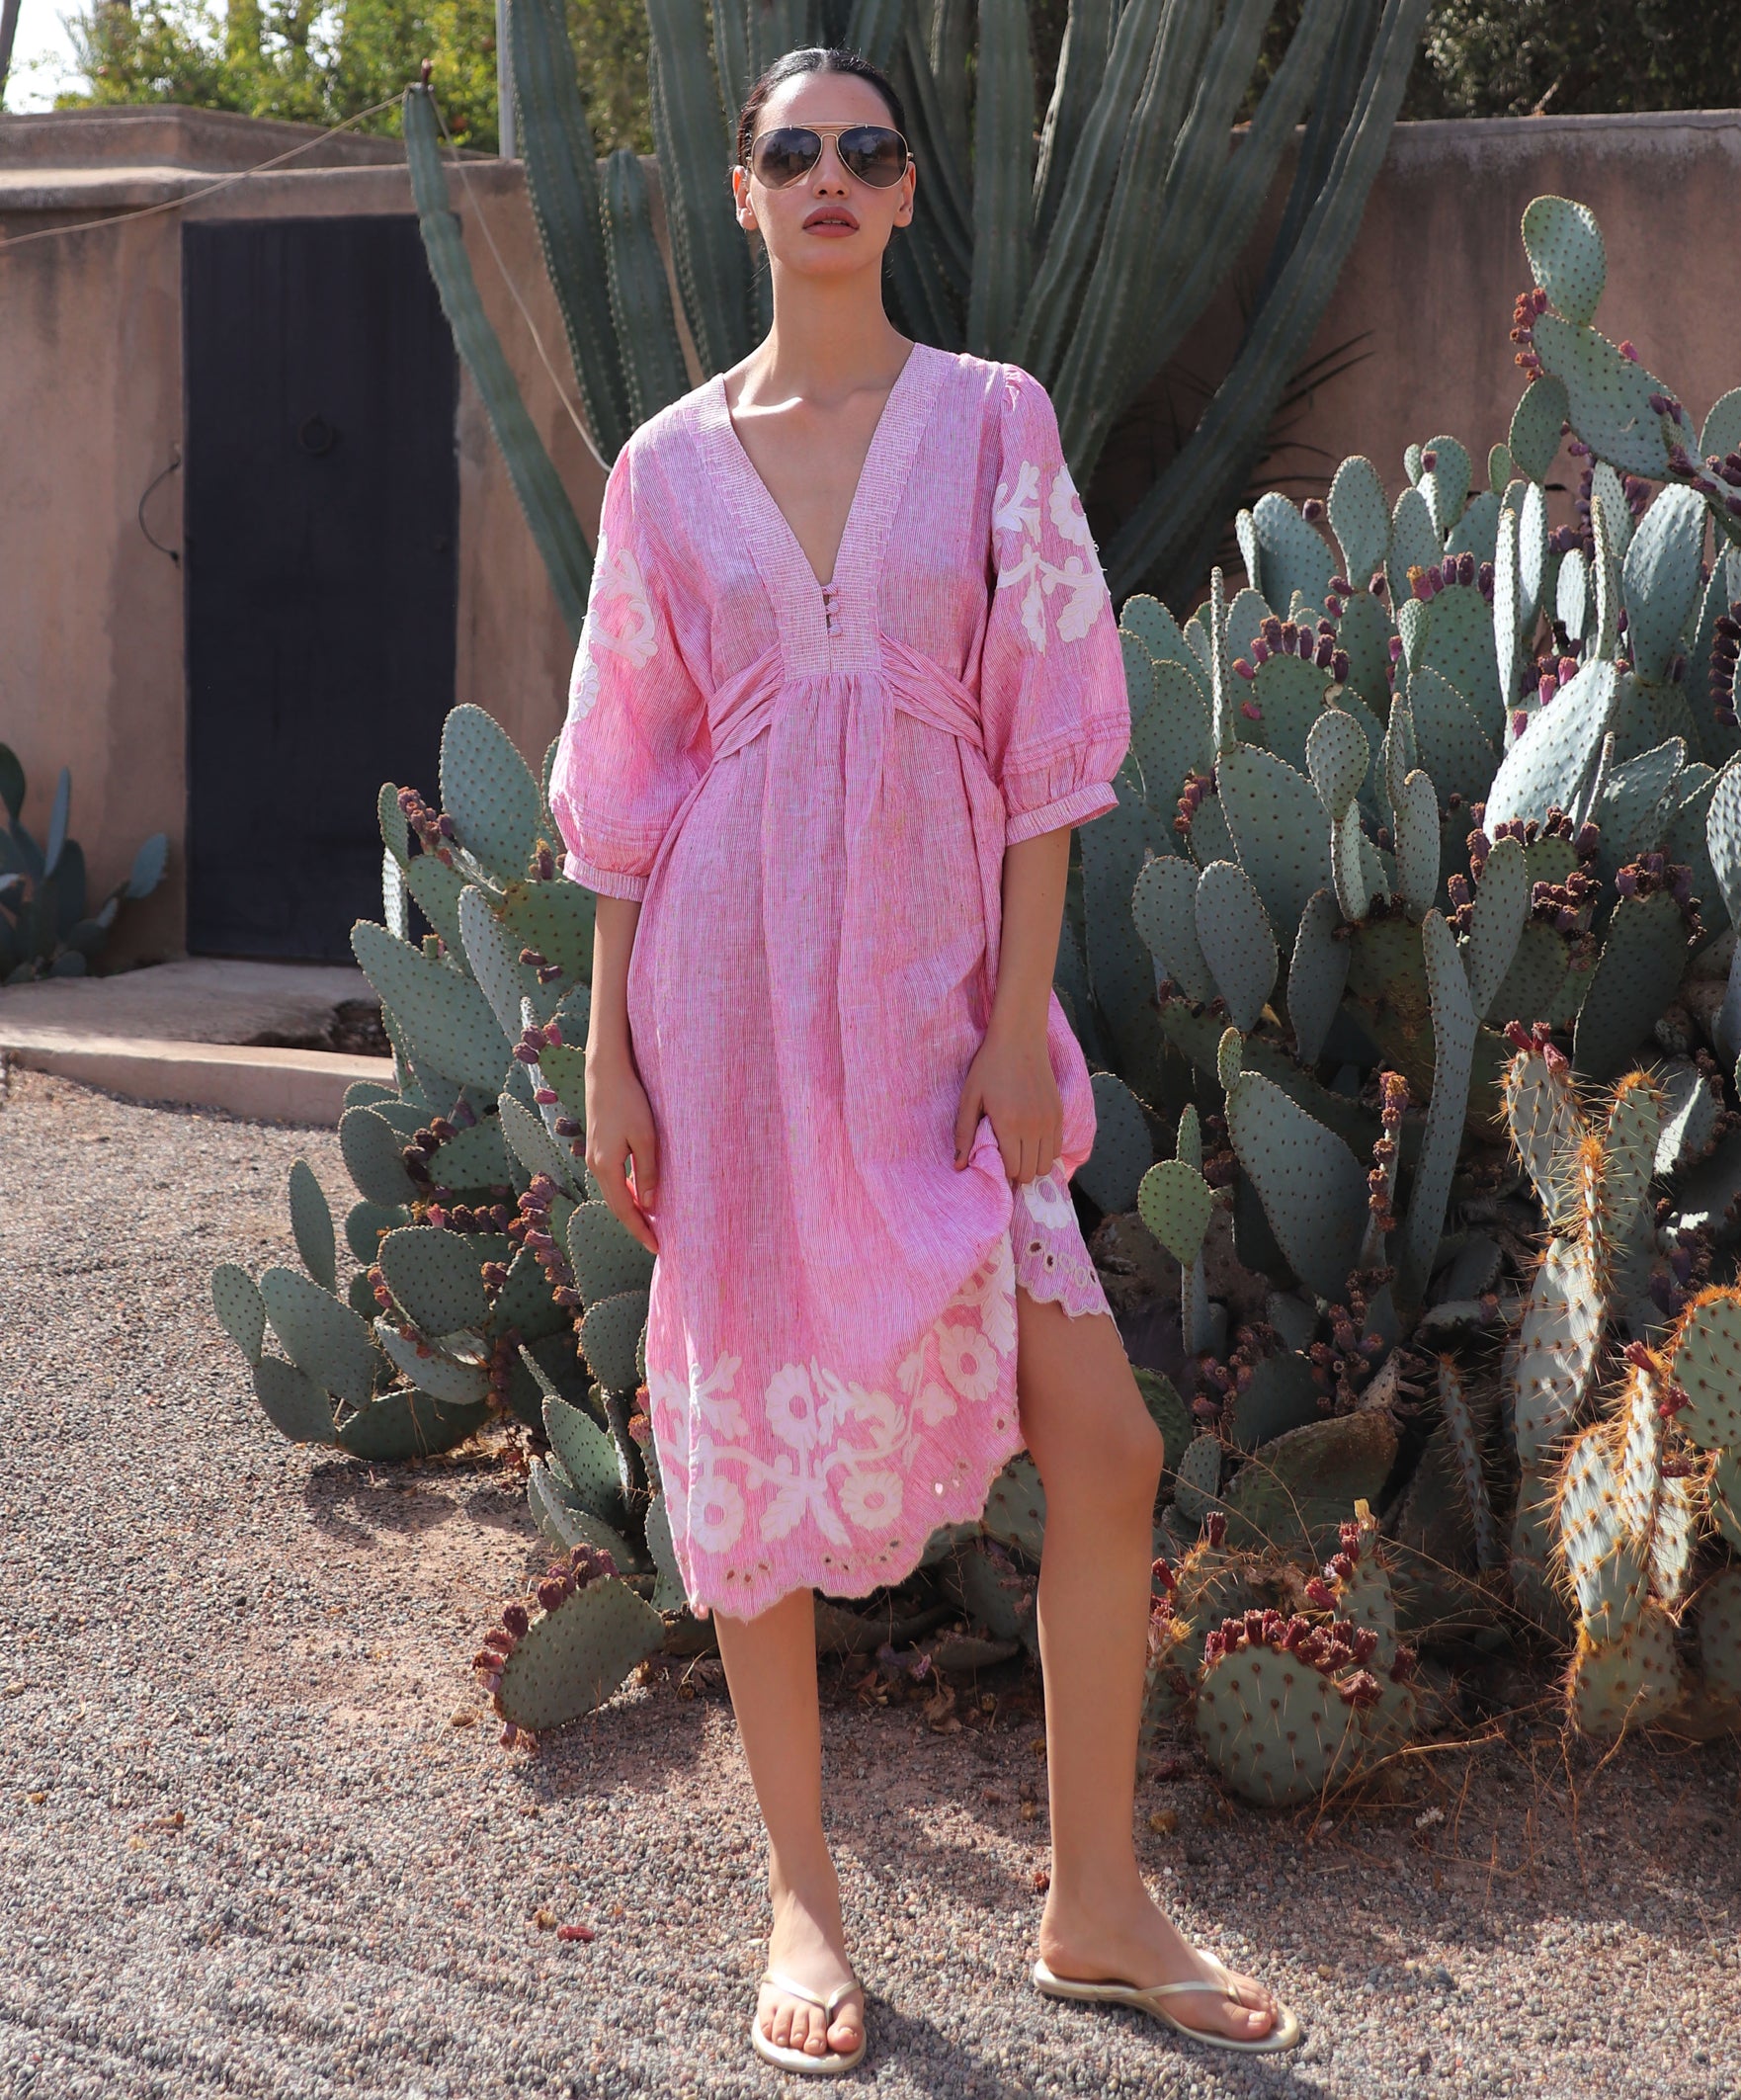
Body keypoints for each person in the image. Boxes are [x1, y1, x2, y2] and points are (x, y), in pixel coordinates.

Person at [548, 42, 1302, 2076]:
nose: (826, 177)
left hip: (934, 1008)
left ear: (900, 196)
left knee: (1106, 1445)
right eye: (788, 151)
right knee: (751, 1463)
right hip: (719, 1005)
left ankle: (1088, 1899)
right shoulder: (657, 467)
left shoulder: (986, 420)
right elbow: (624, 779)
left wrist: (1008, 1019)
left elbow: (1051, 744)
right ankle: (801, 1895)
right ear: (740, 193)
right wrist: (608, 1044)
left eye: (863, 151)